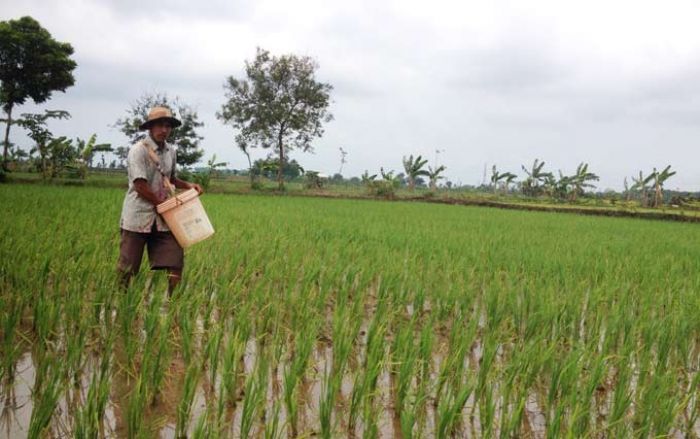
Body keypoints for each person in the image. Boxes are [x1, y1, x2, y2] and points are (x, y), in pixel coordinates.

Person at [117, 106, 202, 296]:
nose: (164, 130)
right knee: (128, 267)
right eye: (160, 125)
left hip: (164, 219)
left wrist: (189, 185)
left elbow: (170, 179)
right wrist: (162, 205)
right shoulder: (138, 151)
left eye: (168, 126)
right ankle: (121, 302)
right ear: (150, 127)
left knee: (175, 261)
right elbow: (140, 185)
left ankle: (174, 305)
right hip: (138, 217)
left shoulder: (171, 151)